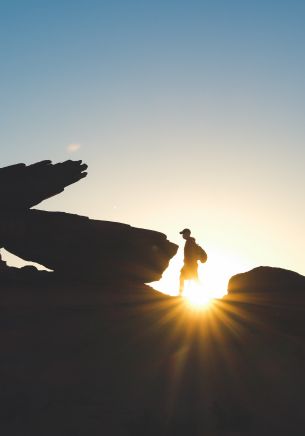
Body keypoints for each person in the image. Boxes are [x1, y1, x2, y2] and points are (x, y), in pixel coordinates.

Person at [179, 228, 199, 295]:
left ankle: (180, 294)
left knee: (183, 277)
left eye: (183, 234)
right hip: (190, 264)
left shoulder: (190, 242)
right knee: (195, 278)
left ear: (187, 233)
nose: (182, 235)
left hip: (190, 264)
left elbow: (191, 254)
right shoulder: (190, 241)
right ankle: (200, 293)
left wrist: (188, 263)